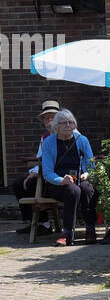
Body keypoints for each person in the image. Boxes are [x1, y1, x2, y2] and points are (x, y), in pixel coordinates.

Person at [40, 109, 99, 247]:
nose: (68, 125)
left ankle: (90, 229)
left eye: (71, 122)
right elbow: (47, 172)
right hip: (58, 183)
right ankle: (66, 234)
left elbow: (91, 165)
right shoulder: (48, 142)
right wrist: (61, 180)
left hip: (81, 178)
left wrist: (87, 174)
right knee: (73, 191)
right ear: (56, 126)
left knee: (87, 189)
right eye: (64, 123)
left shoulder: (82, 140)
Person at [12, 99, 59, 235]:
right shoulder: (45, 137)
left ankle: (44, 225)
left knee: (32, 184)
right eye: (46, 118)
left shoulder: (68, 133)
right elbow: (39, 157)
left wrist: (37, 173)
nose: (49, 121)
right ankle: (34, 223)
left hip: (58, 176)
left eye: (52, 117)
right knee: (18, 184)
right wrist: (33, 172)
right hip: (44, 174)